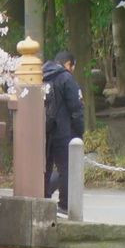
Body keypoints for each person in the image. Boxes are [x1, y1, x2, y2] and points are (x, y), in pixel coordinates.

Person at [41, 49, 86, 217]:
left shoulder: (41, 76)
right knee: (65, 168)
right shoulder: (66, 78)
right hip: (64, 129)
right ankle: (64, 205)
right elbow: (76, 108)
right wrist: (79, 131)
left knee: (45, 167)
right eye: (73, 66)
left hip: (45, 129)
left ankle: (43, 200)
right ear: (68, 64)